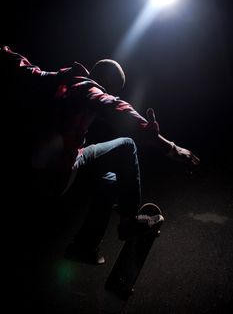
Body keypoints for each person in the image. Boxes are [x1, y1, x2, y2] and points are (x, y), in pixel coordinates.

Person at [1, 45, 200, 265]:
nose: (112, 94)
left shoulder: (54, 79)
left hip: (35, 172)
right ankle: (129, 221)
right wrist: (169, 146)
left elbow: (24, 67)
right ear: (107, 84)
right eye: (113, 89)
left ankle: (85, 246)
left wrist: (4, 51)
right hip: (59, 172)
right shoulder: (88, 88)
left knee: (111, 178)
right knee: (127, 145)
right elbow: (114, 105)